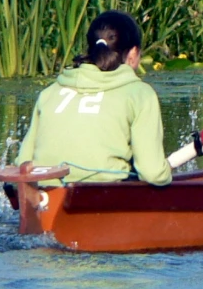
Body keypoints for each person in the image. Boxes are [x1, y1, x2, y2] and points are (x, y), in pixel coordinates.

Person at [15, 10, 175, 185]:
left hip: (43, 191)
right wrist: (166, 174)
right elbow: (153, 174)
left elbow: (22, 163)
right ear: (133, 54)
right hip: (103, 194)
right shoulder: (141, 94)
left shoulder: (49, 92)